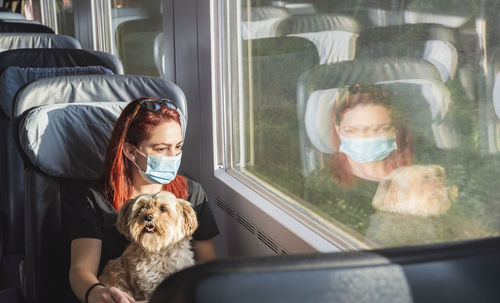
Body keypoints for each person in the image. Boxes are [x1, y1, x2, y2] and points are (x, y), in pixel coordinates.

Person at [68, 97, 219, 303]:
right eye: (161, 149)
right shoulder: (96, 198)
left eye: (178, 146)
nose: (173, 156)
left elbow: (208, 265)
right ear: (131, 151)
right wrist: (97, 293)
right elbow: (80, 270)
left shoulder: (192, 193)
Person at [329, 83, 413, 187]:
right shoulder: (322, 184)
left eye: (381, 129)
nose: (367, 138)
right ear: (338, 130)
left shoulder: (422, 175)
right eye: (351, 130)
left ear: (396, 129)